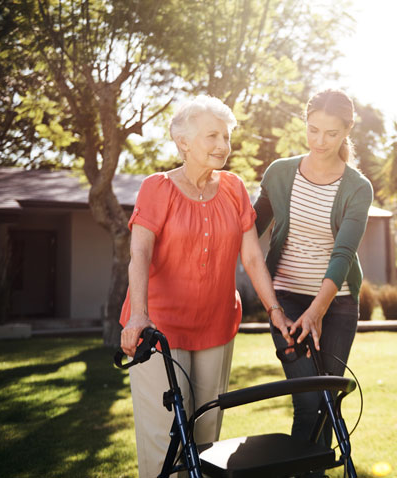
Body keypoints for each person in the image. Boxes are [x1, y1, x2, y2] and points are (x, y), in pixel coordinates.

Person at [119, 95, 292, 478]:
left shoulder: (233, 188)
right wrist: (138, 316)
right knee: (165, 437)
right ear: (183, 142)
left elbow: (250, 257)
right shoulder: (157, 188)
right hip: (158, 326)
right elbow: (141, 254)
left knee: (207, 436)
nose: (223, 146)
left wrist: (275, 311)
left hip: (216, 324)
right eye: (212, 135)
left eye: (227, 137)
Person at [254, 89, 373, 469]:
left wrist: (318, 310)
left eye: (331, 134)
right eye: (313, 130)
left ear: (347, 132)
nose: (320, 141)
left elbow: (343, 254)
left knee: (326, 402)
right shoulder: (279, 173)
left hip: (337, 306)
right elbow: (246, 231)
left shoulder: (357, 187)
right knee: (308, 401)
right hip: (285, 299)